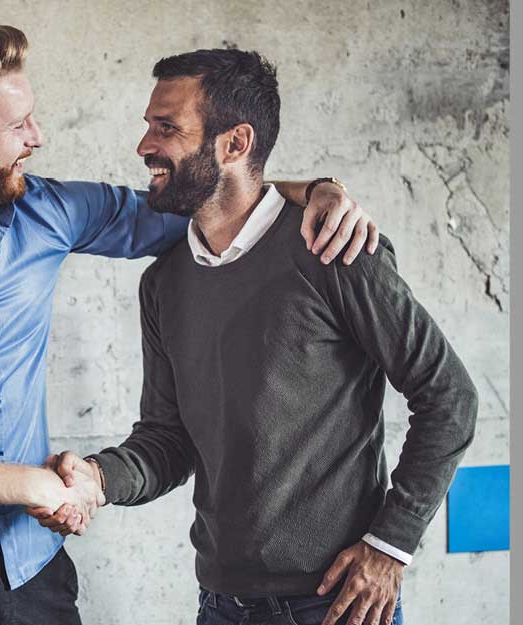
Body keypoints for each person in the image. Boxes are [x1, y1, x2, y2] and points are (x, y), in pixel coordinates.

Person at [0, 24, 378, 625]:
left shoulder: (46, 211)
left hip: (37, 573)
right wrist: (34, 488)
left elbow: (202, 210)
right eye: (16, 126)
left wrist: (314, 189)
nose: (37, 137)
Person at [33, 49, 478, 625]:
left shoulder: (332, 249)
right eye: (148, 125)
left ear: (234, 143)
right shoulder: (164, 283)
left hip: (336, 605)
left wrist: (390, 546)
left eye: (166, 128)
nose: (145, 145)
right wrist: (97, 478)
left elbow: (450, 397)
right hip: (221, 606)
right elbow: (168, 440)